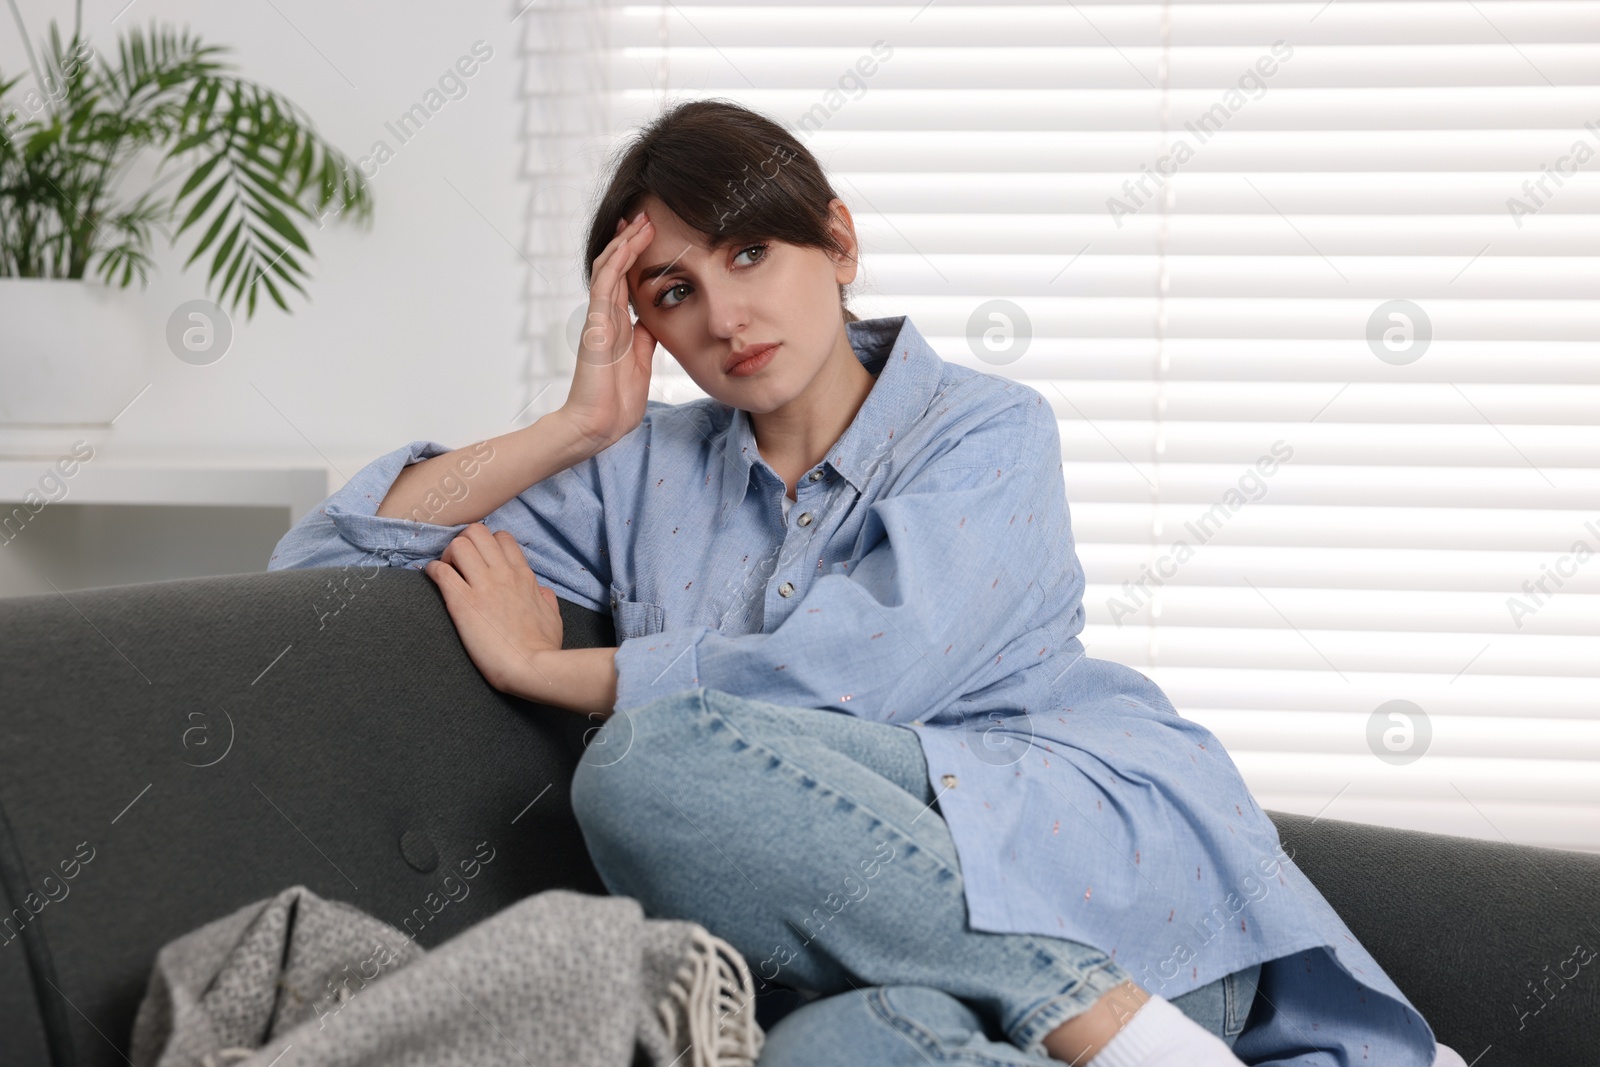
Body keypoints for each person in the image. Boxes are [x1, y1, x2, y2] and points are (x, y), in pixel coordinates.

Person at [267, 99, 1466, 1067]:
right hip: (878, 966)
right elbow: (327, 556)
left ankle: (1117, 1023)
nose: (726, 313)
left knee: (644, 762)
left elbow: (851, 680)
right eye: (673, 290)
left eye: (750, 251)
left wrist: (548, 670)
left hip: (1122, 901)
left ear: (836, 242)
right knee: (830, 1048)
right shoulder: (639, 472)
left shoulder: (988, 429)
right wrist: (577, 425)